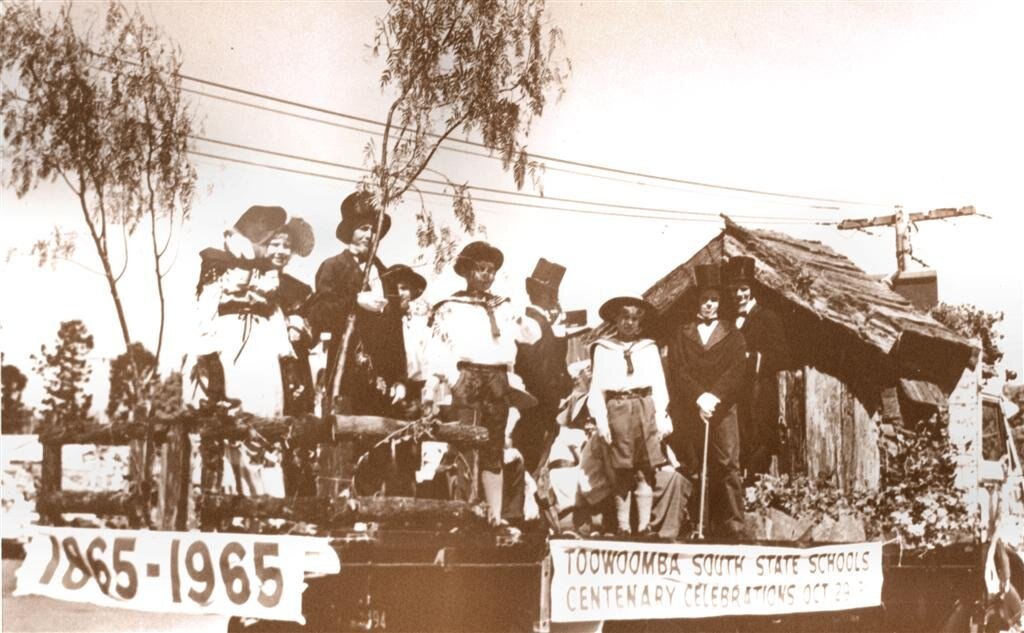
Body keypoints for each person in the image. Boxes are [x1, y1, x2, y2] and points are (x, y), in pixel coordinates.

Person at [422, 240, 534, 529]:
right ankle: (464, 512)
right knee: (465, 445)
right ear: (467, 272)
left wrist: (521, 314)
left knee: (493, 447)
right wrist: (449, 378)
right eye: (480, 269)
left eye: (491, 270)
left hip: (497, 378)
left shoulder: (504, 305)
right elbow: (439, 347)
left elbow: (529, 337)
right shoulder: (451, 306)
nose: (486, 275)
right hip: (467, 377)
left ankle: (495, 517)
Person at [666, 264, 749, 539]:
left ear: (720, 302)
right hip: (692, 409)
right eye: (705, 300)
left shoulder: (733, 333)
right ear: (697, 302)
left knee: (727, 465)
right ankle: (696, 525)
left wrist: (714, 396)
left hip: (723, 408)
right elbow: (678, 369)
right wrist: (699, 396)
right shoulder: (682, 332)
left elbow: (737, 369)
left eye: (714, 300)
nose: (709, 305)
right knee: (694, 464)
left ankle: (735, 526)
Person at [304, 191, 398, 415]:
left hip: (381, 376)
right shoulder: (334, 266)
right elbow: (320, 314)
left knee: (380, 439)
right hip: (345, 370)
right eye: (363, 228)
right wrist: (355, 302)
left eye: (374, 229)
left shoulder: (385, 274)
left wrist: (398, 378)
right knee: (343, 435)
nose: (369, 234)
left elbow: (396, 330)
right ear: (350, 231)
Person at [587, 296, 672, 536]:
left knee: (645, 469)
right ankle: (624, 526)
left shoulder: (649, 348)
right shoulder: (603, 349)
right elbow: (597, 389)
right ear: (616, 318)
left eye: (635, 319)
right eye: (625, 317)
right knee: (622, 470)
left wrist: (662, 415)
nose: (629, 323)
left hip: (644, 407)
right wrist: (601, 420)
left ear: (640, 322)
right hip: (618, 408)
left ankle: (644, 526)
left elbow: (659, 384)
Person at [723, 256, 789, 480]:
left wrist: (751, 358)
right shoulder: (729, 322)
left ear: (751, 290)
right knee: (738, 436)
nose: (738, 295)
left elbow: (781, 356)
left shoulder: (768, 317)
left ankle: (756, 487)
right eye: (734, 290)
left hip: (760, 391)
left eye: (743, 289)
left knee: (759, 438)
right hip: (737, 392)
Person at [513, 258, 574, 474]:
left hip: (546, 403)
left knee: (542, 453)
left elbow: (555, 360)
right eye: (550, 293)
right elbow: (530, 368)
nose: (553, 298)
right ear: (540, 294)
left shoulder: (545, 323)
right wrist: (550, 393)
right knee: (530, 453)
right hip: (534, 404)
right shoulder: (528, 323)